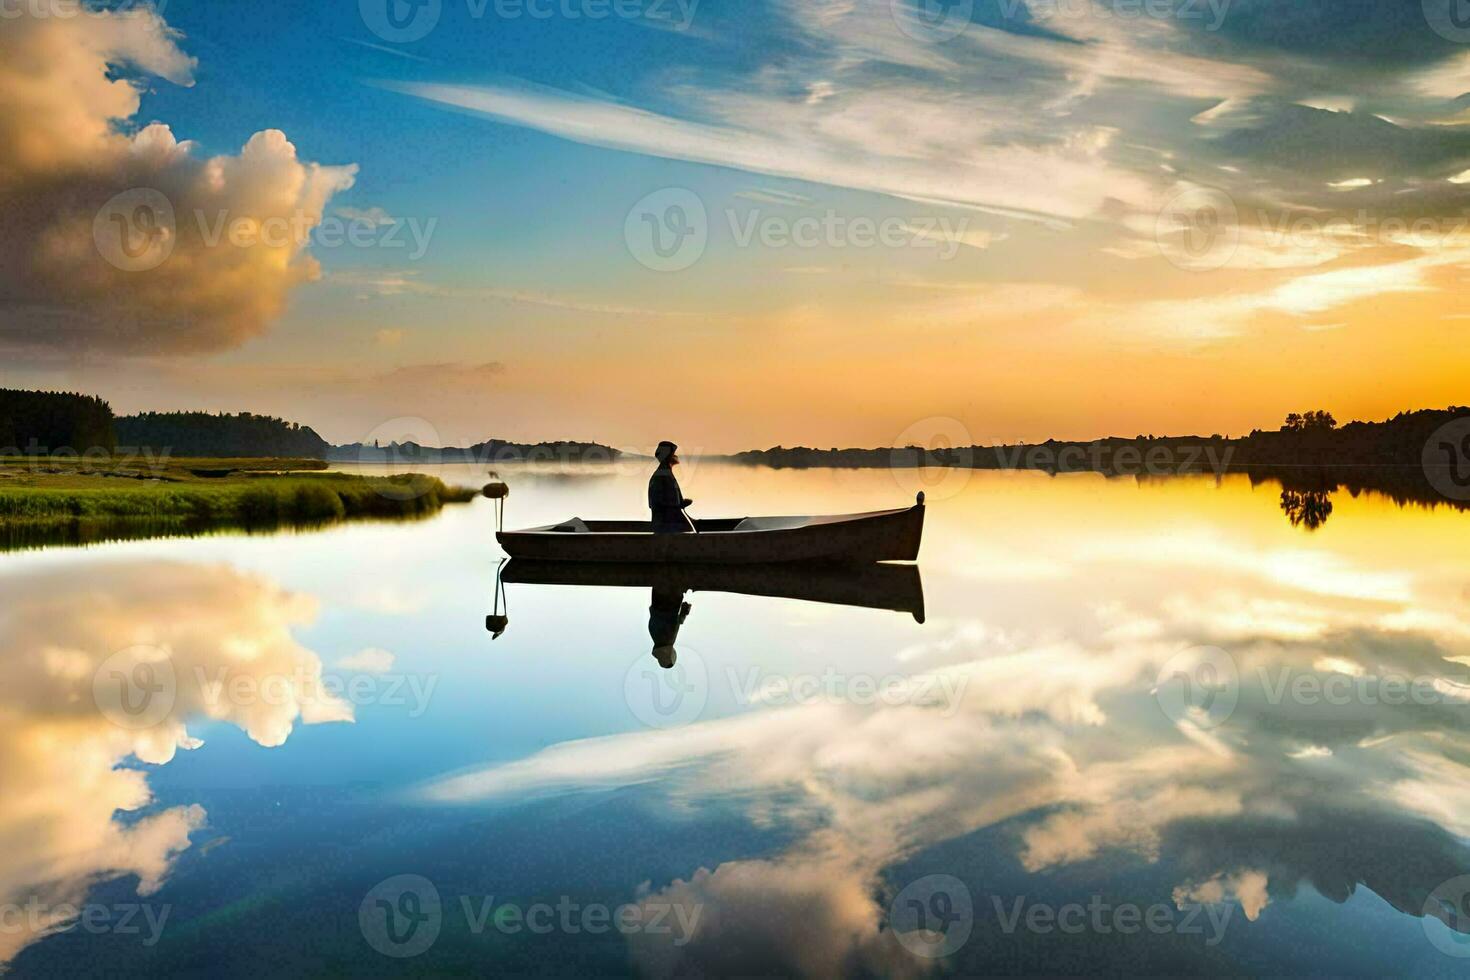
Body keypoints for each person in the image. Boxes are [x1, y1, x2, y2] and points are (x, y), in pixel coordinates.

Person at [648, 440, 695, 533]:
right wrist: (679, 504)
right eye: (673, 454)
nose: (676, 457)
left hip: (671, 522)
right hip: (667, 526)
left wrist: (681, 503)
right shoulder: (661, 476)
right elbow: (659, 502)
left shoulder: (666, 474)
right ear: (668, 456)